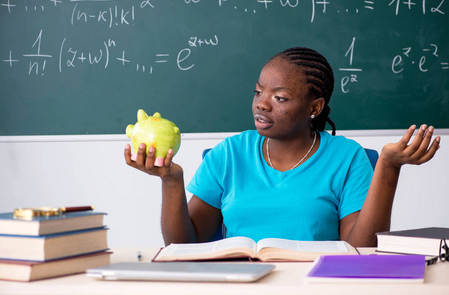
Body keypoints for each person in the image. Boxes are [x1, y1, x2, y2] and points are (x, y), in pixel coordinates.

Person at [124, 47, 440, 247]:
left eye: (280, 98)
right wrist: (171, 180)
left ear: (314, 107)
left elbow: (361, 250)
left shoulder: (347, 158)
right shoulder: (230, 153)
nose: (262, 105)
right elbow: (182, 247)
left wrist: (388, 167)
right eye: (258, 92)